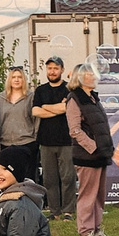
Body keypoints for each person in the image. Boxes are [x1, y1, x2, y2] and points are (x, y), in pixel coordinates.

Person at [65, 63, 115, 236]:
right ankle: (86, 234)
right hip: (87, 156)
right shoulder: (74, 99)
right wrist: (93, 147)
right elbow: (75, 130)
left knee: (99, 195)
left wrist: (106, 147)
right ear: (80, 78)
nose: (94, 76)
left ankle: (96, 229)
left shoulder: (93, 98)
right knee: (88, 195)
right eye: (89, 74)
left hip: (100, 154)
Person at [31, 56, 77, 219]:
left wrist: (46, 107)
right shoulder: (41, 90)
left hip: (66, 140)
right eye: (49, 68)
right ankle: (54, 211)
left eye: (56, 68)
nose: (52, 71)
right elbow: (35, 111)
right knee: (50, 179)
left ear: (62, 70)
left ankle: (68, 211)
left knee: (68, 177)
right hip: (46, 141)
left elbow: (69, 108)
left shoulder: (69, 89)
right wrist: (59, 108)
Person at [0, 67, 41, 181]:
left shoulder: (31, 97)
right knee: (8, 178)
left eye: (19, 77)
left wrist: (35, 138)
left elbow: (37, 120)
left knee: (27, 178)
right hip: (6, 145)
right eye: (13, 77)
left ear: (24, 80)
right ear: (9, 80)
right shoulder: (1, 98)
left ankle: (26, 199)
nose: (16, 80)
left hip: (27, 144)